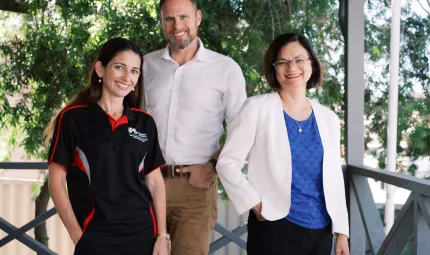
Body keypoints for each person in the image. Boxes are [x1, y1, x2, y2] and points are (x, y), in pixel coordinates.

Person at [216, 33, 350, 255]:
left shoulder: (329, 119)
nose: (292, 67)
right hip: (274, 226)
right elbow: (226, 163)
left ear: (312, 64)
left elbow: (334, 177)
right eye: (283, 62)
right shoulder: (256, 108)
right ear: (274, 68)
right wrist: (254, 203)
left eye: (299, 59)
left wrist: (342, 232)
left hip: (321, 231)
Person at [45, 38, 169, 255]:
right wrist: (77, 235)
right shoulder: (73, 119)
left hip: (142, 235)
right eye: (119, 67)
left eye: (134, 71)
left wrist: (162, 236)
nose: (126, 77)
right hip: (95, 237)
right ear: (100, 69)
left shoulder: (144, 122)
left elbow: (155, 183)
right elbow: (56, 182)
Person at [142, 0, 247, 254]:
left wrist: (212, 167)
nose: (177, 25)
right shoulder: (145, 66)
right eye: (169, 19)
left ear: (198, 17)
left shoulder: (226, 69)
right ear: (161, 21)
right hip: (145, 185)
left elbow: (243, 131)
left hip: (195, 188)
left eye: (184, 17)